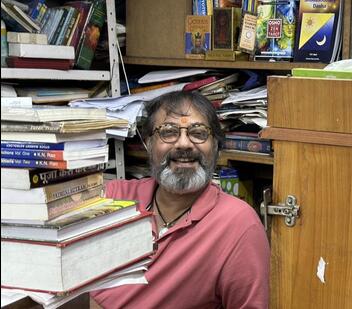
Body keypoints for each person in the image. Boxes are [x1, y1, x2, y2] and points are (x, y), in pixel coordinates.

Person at [90, 91, 270, 308]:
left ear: (215, 146)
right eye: (168, 132)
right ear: (148, 143)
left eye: (199, 133)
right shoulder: (113, 198)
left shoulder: (238, 224)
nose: (184, 144)